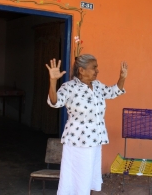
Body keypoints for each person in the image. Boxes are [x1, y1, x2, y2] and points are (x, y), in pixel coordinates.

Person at [46, 54, 128, 195]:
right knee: (78, 178)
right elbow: (55, 102)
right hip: (78, 142)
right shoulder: (69, 87)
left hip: (95, 140)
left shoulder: (97, 86)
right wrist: (53, 81)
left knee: (88, 177)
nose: (97, 71)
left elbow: (113, 92)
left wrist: (122, 77)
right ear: (81, 70)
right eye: (94, 68)